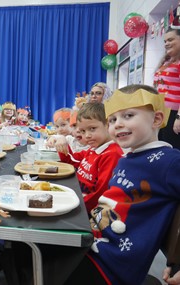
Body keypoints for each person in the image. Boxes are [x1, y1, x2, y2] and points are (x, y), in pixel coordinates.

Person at [62, 84, 179, 285]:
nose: (117, 124)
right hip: (93, 243)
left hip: (111, 266)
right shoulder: (128, 158)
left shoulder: (169, 161)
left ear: (157, 119)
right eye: (113, 119)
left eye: (128, 116)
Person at [57, 103, 123, 213]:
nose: (87, 135)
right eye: (83, 131)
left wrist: (77, 208)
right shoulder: (94, 148)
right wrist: (61, 142)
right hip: (76, 196)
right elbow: (72, 160)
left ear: (107, 125)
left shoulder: (112, 154)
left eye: (92, 129)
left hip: (85, 208)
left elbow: (100, 194)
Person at [153, 27, 180, 150]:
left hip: (174, 114)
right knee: (163, 149)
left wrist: (179, 117)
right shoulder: (166, 62)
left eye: (170, 40)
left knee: (174, 151)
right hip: (163, 113)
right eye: (165, 41)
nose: (167, 44)